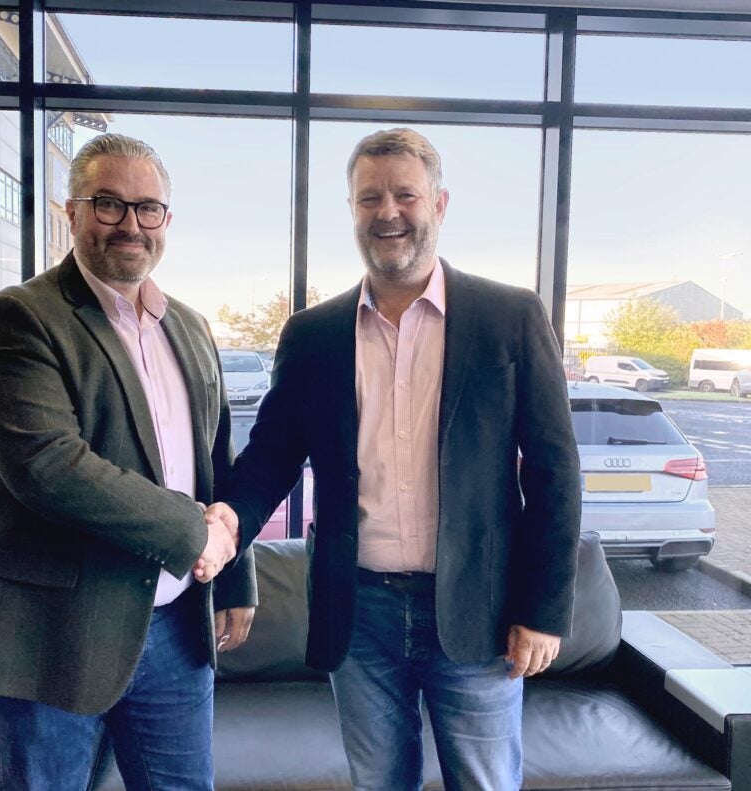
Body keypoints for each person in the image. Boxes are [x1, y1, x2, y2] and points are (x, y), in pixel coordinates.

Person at [206, 127, 581, 790]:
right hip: (359, 614)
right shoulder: (313, 334)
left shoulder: (511, 317)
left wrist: (544, 609)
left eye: (405, 195)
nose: (388, 212)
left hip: (480, 609)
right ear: (351, 209)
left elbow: (555, 472)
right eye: (369, 198)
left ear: (439, 203)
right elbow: (272, 454)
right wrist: (228, 523)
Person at [0, 132, 255, 791]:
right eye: (109, 204)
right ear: (72, 212)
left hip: (175, 626)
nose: (130, 225)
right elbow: (50, 466)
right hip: (54, 633)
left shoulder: (191, 327)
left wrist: (234, 578)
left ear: (166, 219)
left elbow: (215, 460)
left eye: (148, 208)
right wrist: (195, 533)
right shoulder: (17, 319)